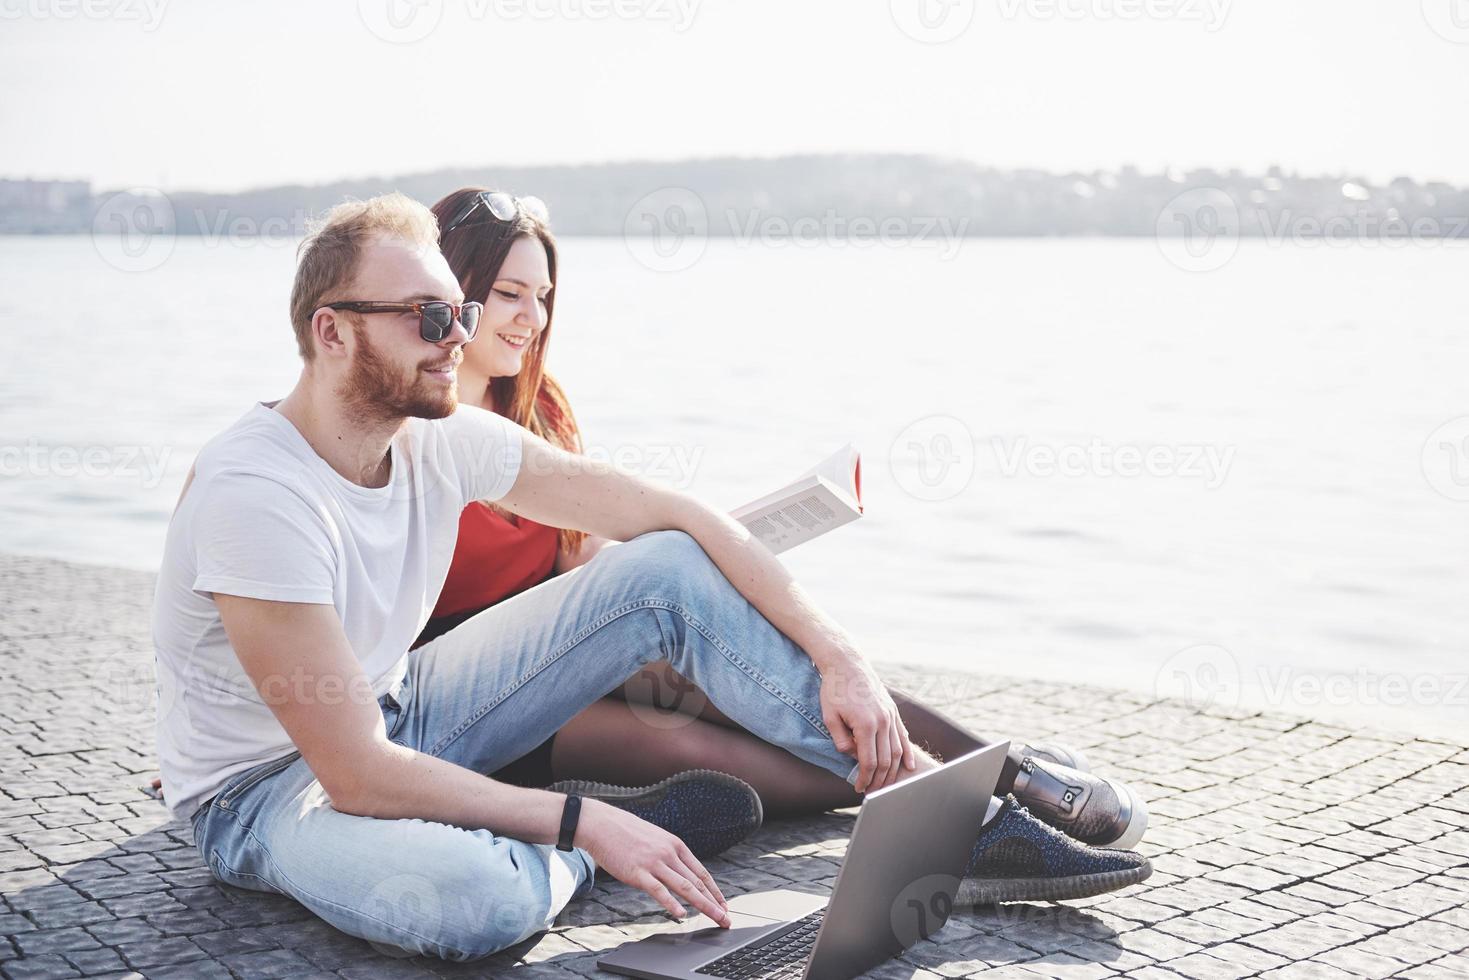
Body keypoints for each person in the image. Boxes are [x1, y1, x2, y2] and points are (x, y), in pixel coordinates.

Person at [152, 193, 1150, 963]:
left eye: (457, 310)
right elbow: (356, 775)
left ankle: (950, 816)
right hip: (267, 797)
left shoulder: (441, 440)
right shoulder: (258, 493)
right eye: (426, 314)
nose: (456, 336)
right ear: (333, 332)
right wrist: (590, 822)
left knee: (663, 569)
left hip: (404, 708)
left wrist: (836, 653)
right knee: (478, 903)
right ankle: (590, 853)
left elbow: (678, 518)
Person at [419, 187, 1150, 841]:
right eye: (510, 294)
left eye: (541, 296)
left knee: (769, 667)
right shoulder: (414, 428)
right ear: (452, 292)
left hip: (584, 639)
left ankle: (1008, 767)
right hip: (477, 688)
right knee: (706, 752)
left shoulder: (540, 407)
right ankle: (956, 800)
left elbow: (570, 557)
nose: (530, 318)